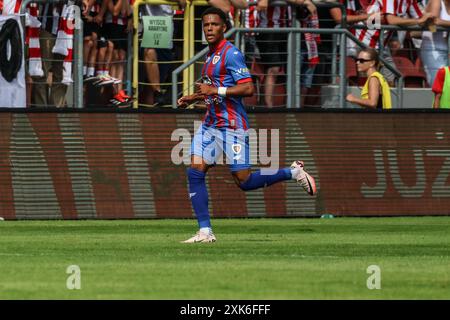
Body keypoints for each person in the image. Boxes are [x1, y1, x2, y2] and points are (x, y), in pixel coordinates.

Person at [177, 7, 317, 243]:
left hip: (232, 125)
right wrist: (195, 98)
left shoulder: (231, 54)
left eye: (214, 24)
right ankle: (205, 232)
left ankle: (292, 172)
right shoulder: (210, 57)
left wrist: (214, 90)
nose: (209, 28)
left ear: (224, 27)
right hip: (211, 123)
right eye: (206, 25)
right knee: (195, 170)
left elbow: (248, 88)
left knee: (245, 181)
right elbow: (215, 91)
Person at [420, 0, 450, 86]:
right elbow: (433, 24)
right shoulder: (436, 1)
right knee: (439, 84)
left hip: (447, 48)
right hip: (432, 48)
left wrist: (443, 23)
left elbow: (439, 22)